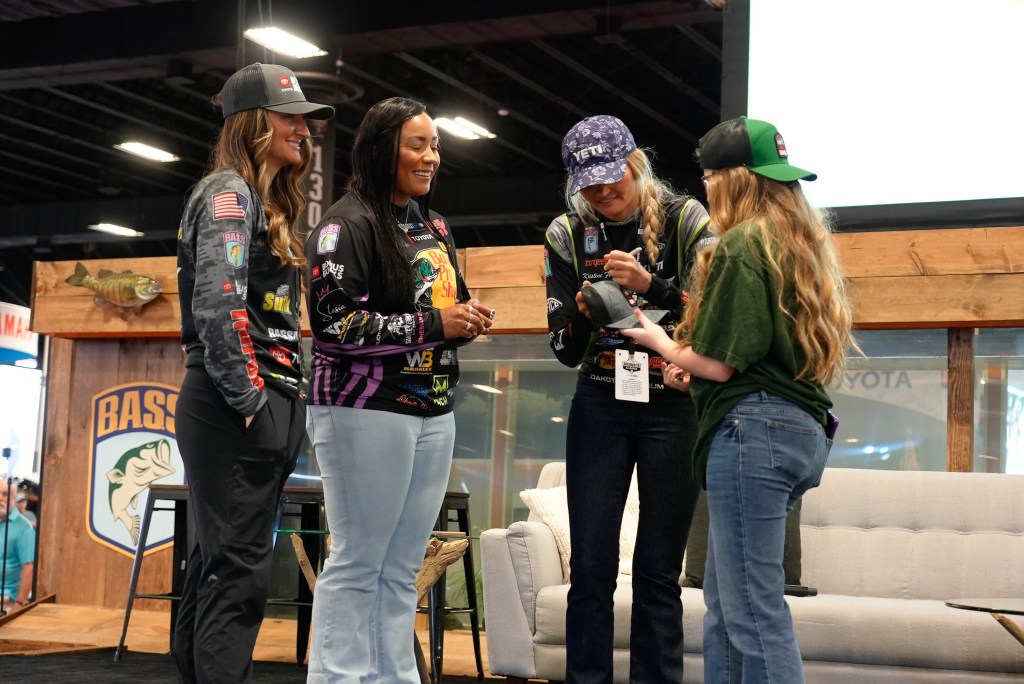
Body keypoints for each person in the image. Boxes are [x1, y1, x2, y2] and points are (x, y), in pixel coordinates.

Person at [622, 116, 856, 683]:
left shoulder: (741, 244)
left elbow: (722, 362)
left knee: (752, 609)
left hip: (754, 434)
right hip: (797, 428)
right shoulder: (797, 246)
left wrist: (658, 341)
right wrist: (696, 375)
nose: (706, 190)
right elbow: (752, 357)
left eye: (708, 179)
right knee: (727, 606)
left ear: (730, 180)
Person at [303, 96, 494, 683]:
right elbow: (334, 326)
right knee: (359, 560)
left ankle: (394, 676)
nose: (431, 156)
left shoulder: (434, 225)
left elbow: (442, 305)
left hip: (434, 408)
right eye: (418, 145)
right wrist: (436, 324)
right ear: (382, 149)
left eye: (435, 145)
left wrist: (466, 318)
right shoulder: (344, 226)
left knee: (403, 565)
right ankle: (336, 678)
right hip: (364, 406)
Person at [173, 62, 334, 683]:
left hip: (259, 401)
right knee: (239, 571)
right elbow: (218, 306)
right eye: (290, 117)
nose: (304, 130)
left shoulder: (262, 200)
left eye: (306, 119)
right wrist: (250, 399)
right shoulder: (228, 193)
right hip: (235, 403)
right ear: (253, 122)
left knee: (220, 565)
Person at [544, 114, 713, 683]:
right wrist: (584, 315)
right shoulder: (566, 233)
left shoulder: (688, 219)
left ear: (635, 163)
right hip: (599, 403)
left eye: (610, 178)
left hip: (675, 404)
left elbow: (714, 321)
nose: (601, 192)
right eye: (588, 184)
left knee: (658, 572)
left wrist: (651, 286)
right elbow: (564, 350)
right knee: (590, 569)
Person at [1, 481, 35, 612]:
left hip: (6, 602)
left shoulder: (24, 527)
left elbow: (29, 568)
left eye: (5, 494)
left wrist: (19, 604)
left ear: (13, 498)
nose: (0, 498)